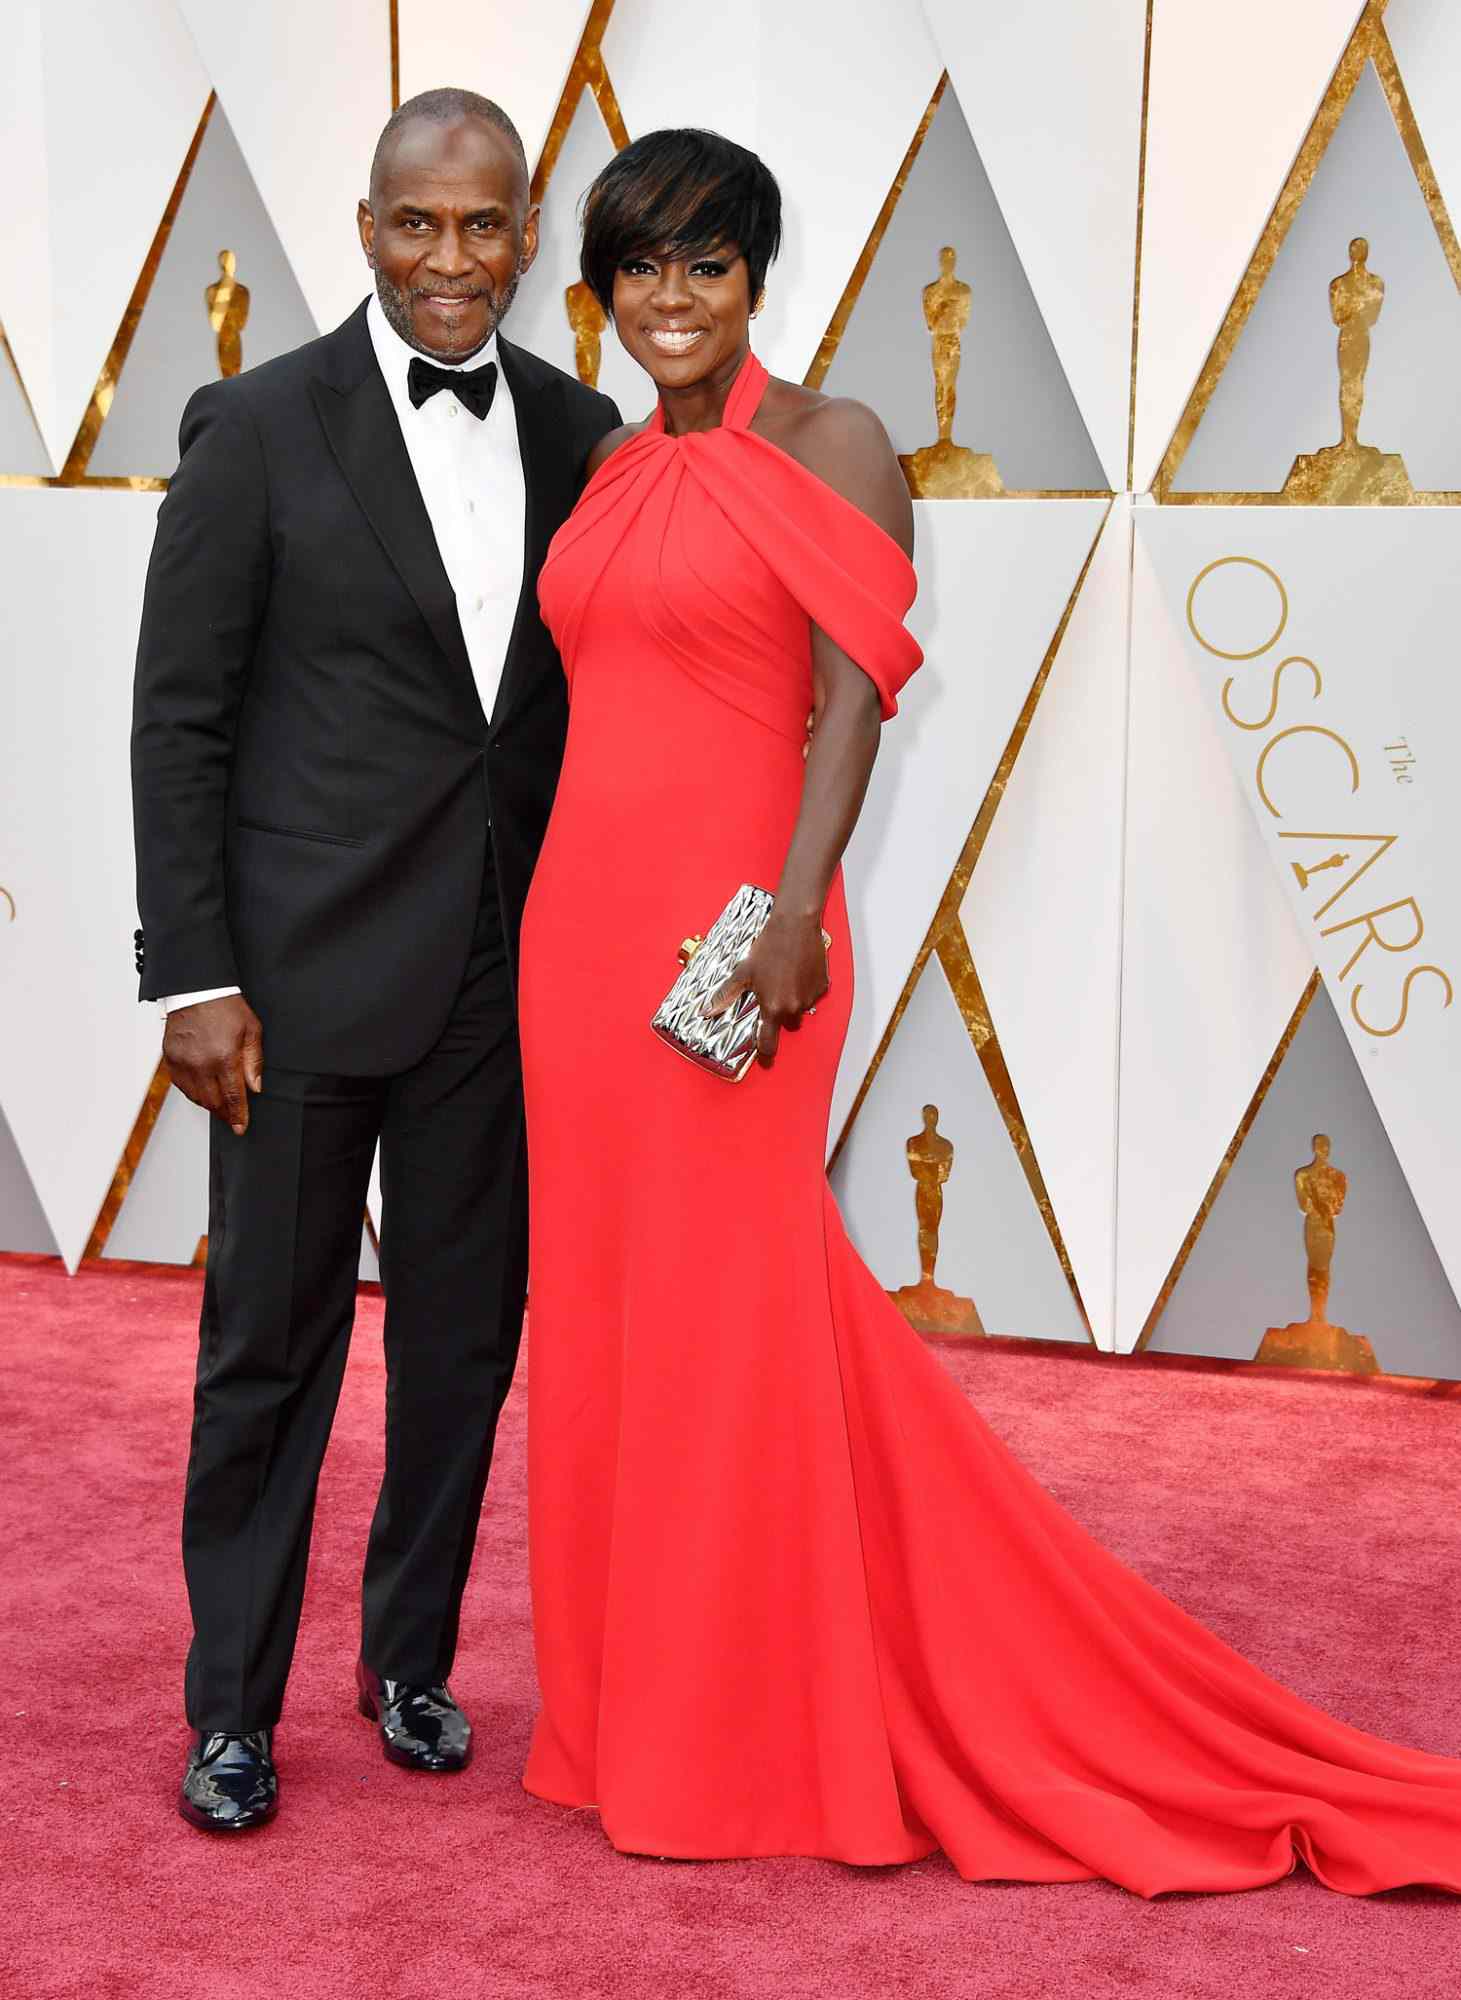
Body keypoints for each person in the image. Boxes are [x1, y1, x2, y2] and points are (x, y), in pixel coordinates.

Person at [516, 128, 1461, 1895]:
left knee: (726, 1317)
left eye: (703, 265)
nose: (668, 297)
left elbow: (853, 690)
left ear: (754, 280)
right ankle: (616, 1708)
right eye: (638, 265)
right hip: (578, 952)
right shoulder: (604, 474)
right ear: (603, 286)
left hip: (738, 938)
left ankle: (727, 1730)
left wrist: (795, 908)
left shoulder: (835, 442)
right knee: (610, 1327)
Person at [131, 88, 620, 1833]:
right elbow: (179, 714)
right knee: (268, 1351)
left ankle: (407, 1658)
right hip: (294, 980)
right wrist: (193, 974)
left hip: (505, 978)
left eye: (486, 225)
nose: (453, 260)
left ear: (526, 235)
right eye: (419, 224)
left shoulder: (580, 430)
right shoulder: (256, 426)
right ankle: (234, 1710)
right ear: (363, 230)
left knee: (463, 1345)